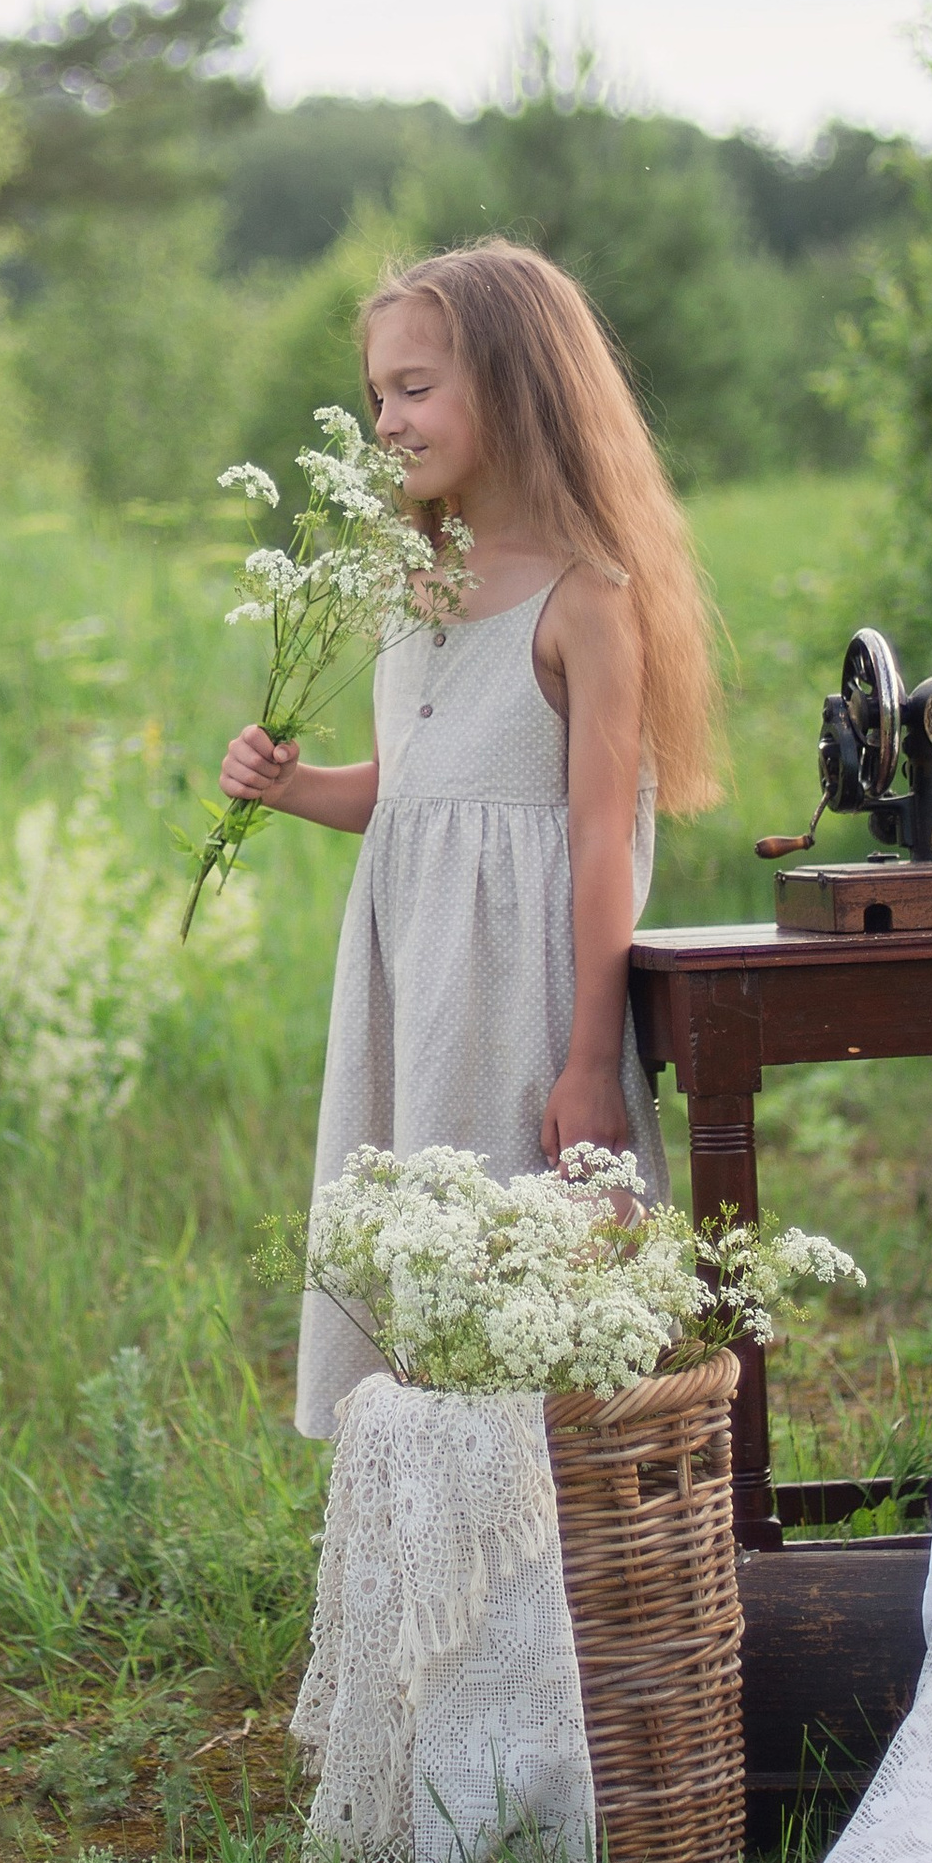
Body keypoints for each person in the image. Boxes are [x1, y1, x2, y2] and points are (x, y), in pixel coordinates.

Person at [221, 239, 724, 1436]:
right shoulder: (409, 578)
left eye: (416, 388)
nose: (387, 421)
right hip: (415, 994)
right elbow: (411, 799)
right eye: (378, 393)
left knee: (536, 1288)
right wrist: (290, 788)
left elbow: (602, 845)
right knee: (426, 1281)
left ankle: (580, 1570)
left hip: (525, 1004)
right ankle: (443, 1536)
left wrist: (589, 1063)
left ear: (514, 382)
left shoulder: (584, 597)